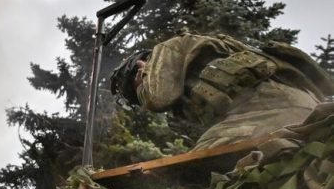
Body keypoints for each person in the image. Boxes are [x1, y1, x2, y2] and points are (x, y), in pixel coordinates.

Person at [110, 33, 334, 150]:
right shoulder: (185, 87)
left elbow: (158, 97)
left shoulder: (165, 52)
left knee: (201, 162)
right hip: (292, 105)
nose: (141, 98)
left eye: (137, 89)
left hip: (270, 107)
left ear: (139, 67)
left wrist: (146, 78)